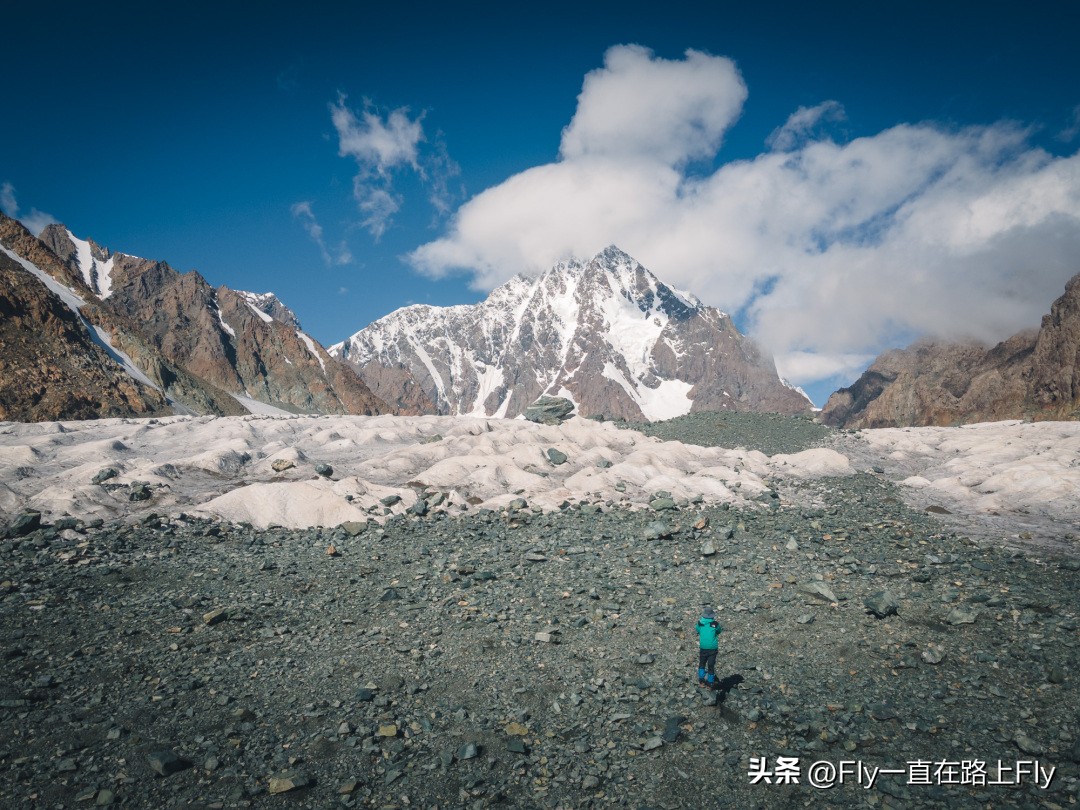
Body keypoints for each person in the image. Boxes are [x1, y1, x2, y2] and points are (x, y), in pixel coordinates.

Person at [696, 605, 722, 688]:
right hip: (712, 648)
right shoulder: (715, 624)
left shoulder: (700, 623)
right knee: (711, 665)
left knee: (702, 663)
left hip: (703, 647)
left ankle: (701, 680)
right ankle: (710, 682)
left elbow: (697, 630)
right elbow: (719, 631)